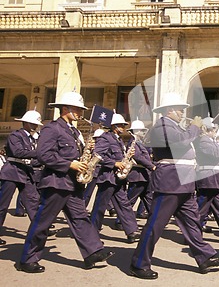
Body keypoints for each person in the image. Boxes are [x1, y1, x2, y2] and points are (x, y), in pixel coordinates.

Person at [130, 92, 219, 279]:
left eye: (183, 110)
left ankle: (205, 257)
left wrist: (200, 132)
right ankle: (138, 263)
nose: (183, 113)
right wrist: (194, 127)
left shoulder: (177, 126)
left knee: (192, 223)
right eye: (179, 110)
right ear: (169, 110)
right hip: (169, 182)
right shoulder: (162, 125)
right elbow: (179, 143)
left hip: (184, 183)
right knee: (155, 225)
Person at [18, 92, 113, 273]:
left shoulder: (74, 130)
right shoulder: (52, 128)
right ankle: (27, 259)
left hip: (72, 183)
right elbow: (43, 155)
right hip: (56, 182)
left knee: (80, 217)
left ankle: (93, 251)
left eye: (80, 109)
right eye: (77, 108)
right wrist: (70, 164)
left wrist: (87, 149)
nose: (80, 112)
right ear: (65, 108)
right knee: (43, 222)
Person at [90, 113, 141, 243]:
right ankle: (91, 233)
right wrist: (114, 163)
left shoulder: (118, 139)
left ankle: (132, 231)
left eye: (124, 125)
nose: (123, 127)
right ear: (114, 126)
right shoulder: (105, 138)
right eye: (121, 125)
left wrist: (128, 157)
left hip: (118, 178)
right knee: (100, 206)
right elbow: (98, 155)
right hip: (107, 177)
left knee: (124, 204)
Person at [0, 110, 44, 245]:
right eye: (33, 124)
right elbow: (18, 152)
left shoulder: (32, 139)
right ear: (26, 123)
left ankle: (40, 230)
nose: (35, 127)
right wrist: (40, 153)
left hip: (26, 172)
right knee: (2, 204)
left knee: (33, 201)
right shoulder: (15, 135)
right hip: (12, 172)